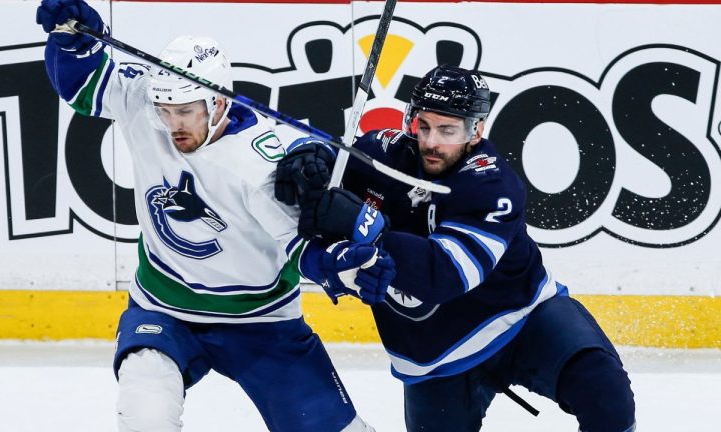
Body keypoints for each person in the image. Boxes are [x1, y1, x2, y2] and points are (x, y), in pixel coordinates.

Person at [35, 1, 396, 431]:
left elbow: (304, 251)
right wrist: (70, 41)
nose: (173, 125)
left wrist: (346, 267)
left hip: (262, 323)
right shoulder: (147, 105)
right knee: (144, 416)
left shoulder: (263, 164)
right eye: (166, 112)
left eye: (186, 111)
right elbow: (82, 84)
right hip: (163, 309)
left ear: (218, 101)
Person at [275, 64, 637, 432]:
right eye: (424, 125)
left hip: (523, 321)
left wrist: (366, 228)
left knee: (606, 396)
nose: (431, 142)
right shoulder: (381, 153)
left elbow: (444, 275)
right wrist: (306, 153)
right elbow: (328, 162)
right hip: (433, 355)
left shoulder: (493, 186)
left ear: (476, 130)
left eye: (448, 130)